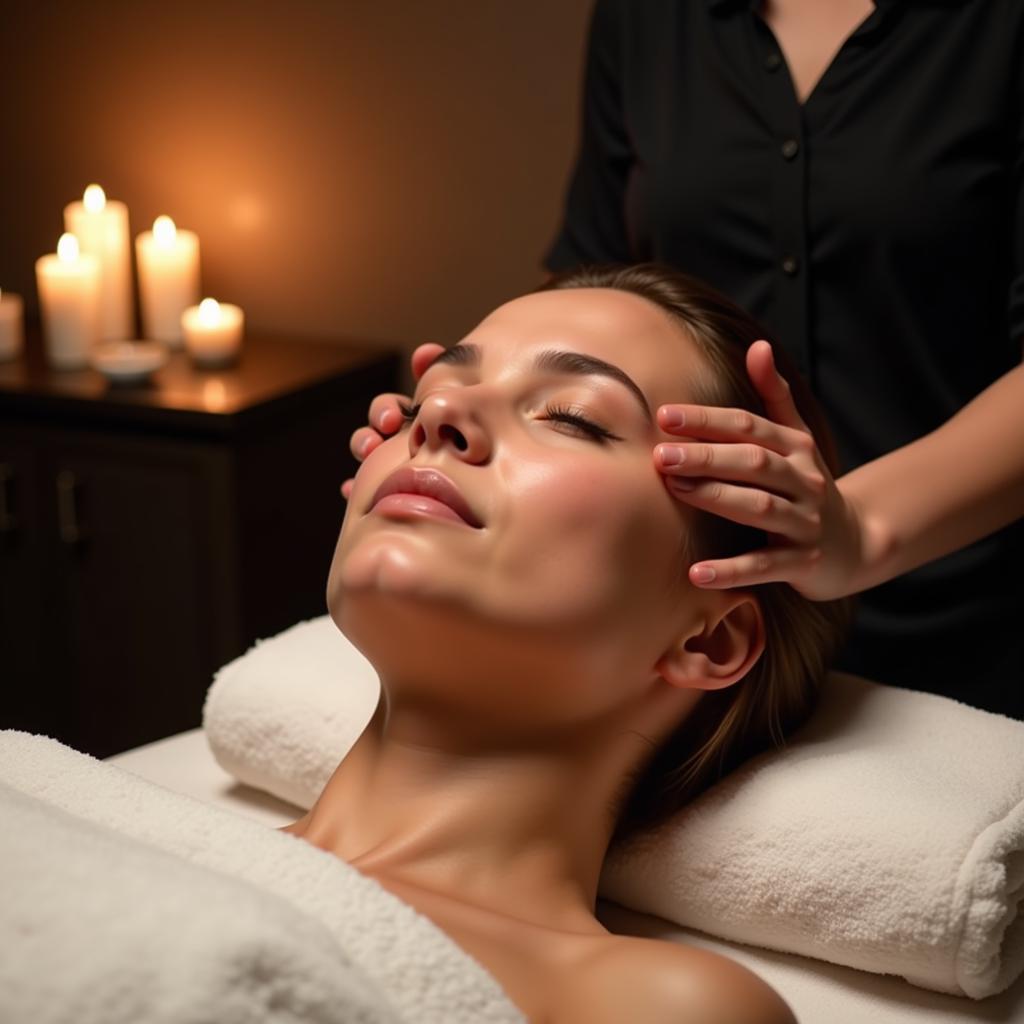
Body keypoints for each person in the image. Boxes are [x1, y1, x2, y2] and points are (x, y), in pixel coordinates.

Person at [349, 0, 1024, 718]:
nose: (443, 413)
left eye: (575, 421)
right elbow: (588, 294)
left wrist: (860, 527)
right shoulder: (646, 18)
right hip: (675, 611)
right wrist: (465, 413)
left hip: (970, 612)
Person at [284, 265, 852, 1023]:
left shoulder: (650, 1006)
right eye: (427, 397)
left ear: (710, 640)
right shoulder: (108, 828)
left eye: (573, 417)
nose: (439, 415)